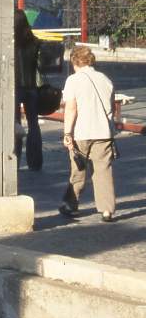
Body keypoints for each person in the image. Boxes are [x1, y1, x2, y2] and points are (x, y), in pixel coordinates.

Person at [59, 45, 118, 222]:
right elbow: (111, 108)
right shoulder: (105, 79)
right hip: (103, 131)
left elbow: (71, 108)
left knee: (79, 169)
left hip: (81, 131)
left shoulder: (73, 80)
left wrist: (67, 133)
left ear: (74, 61)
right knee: (103, 171)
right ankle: (107, 210)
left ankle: (72, 204)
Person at [14, 9, 44, 171]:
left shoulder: (10, 43)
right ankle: (35, 161)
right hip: (32, 87)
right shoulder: (35, 42)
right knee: (34, 124)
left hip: (14, 88)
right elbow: (40, 66)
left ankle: (15, 159)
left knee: (15, 125)